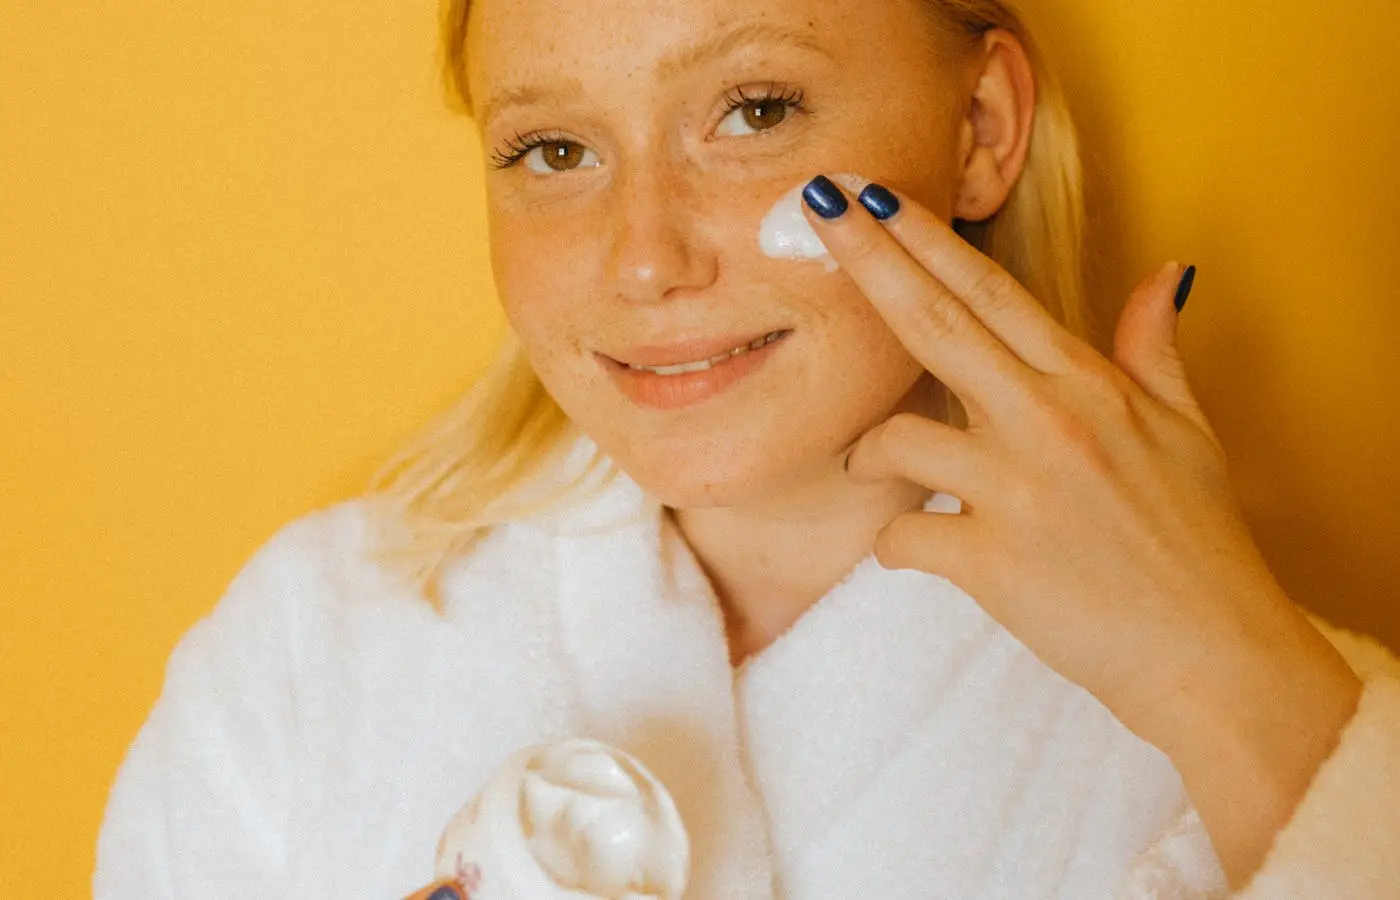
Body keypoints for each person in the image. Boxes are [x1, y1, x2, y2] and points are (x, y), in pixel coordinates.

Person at [94, 0, 1400, 897]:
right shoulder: (310, 650)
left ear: (982, 128)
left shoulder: (1234, 730)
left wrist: (1224, 676)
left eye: (755, 110)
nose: (645, 258)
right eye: (553, 149)